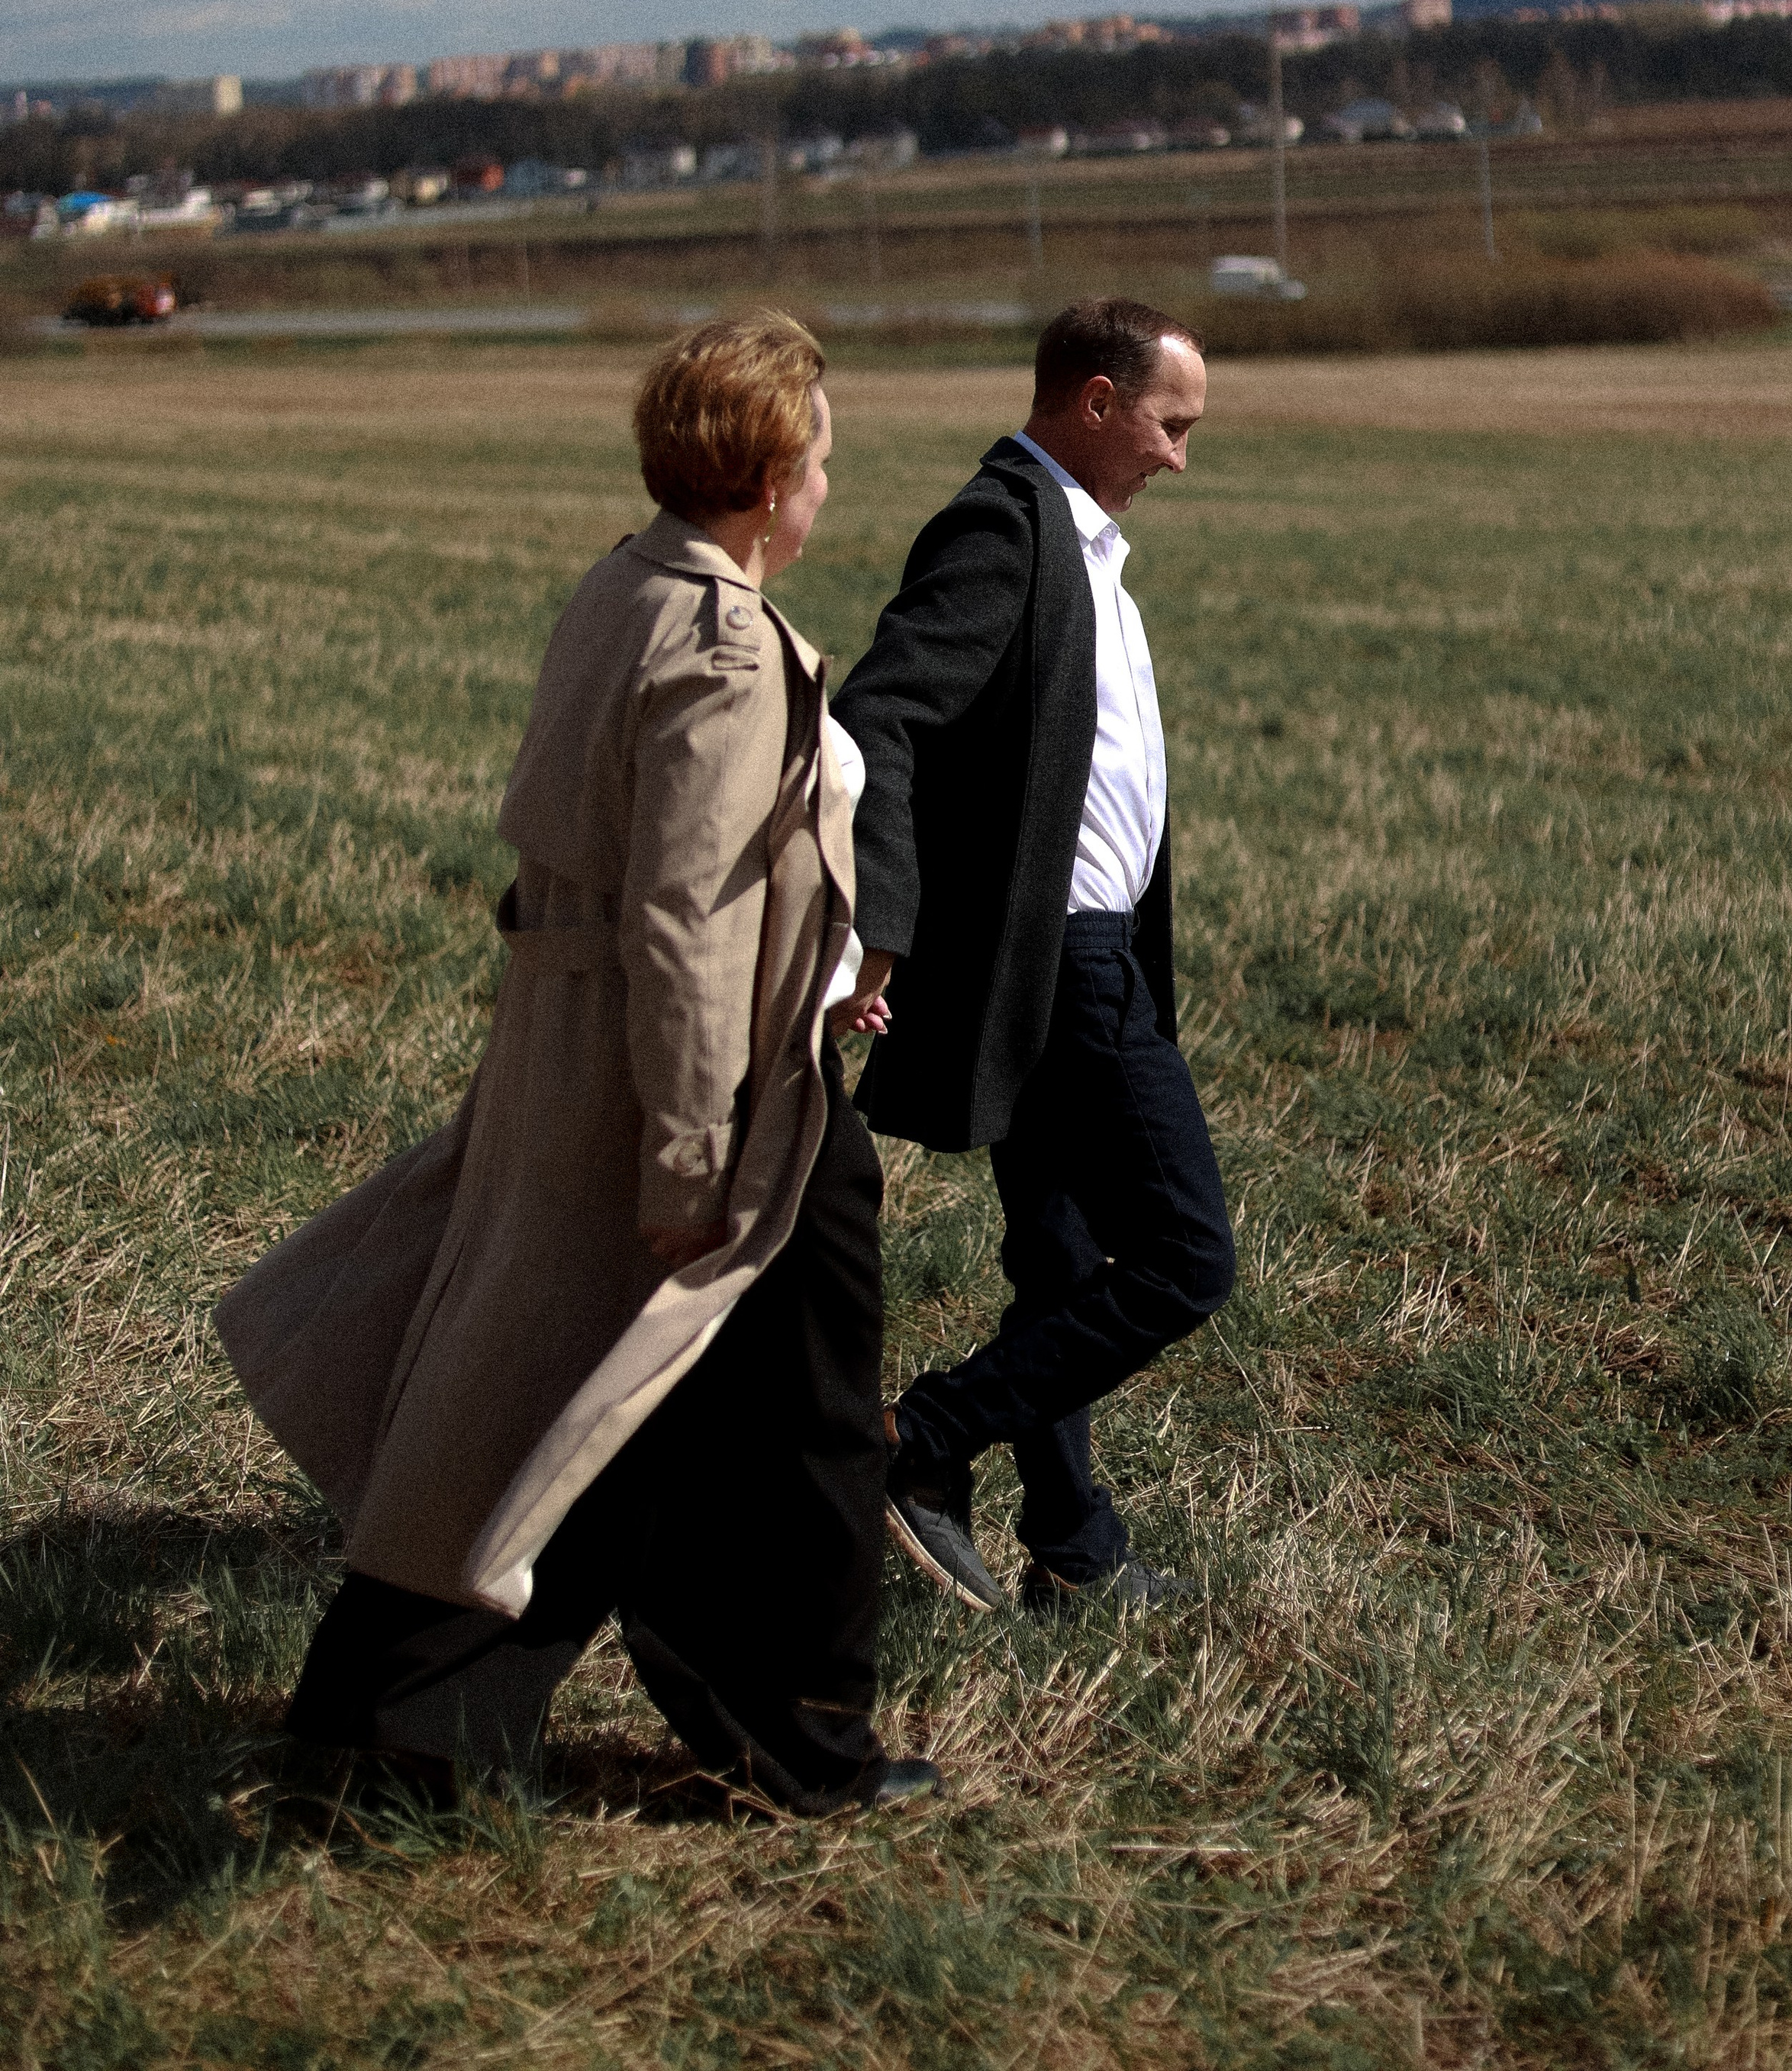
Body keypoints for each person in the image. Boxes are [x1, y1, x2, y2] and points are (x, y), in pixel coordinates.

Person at [215, 312, 933, 1815]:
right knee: (741, 1424)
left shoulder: (623, 585)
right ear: (768, 481)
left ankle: (390, 1731)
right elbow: (683, 920)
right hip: (712, 1103)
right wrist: (690, 1157)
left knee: (588, 1408)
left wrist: (812, 980)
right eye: (821, 465)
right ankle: (785, 1746)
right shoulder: (723, 646)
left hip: (606, 1059)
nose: (827, 490)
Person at [832, 295, 1234, 1614]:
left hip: (1093, 952)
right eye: (1171, 425)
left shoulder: (1084, 543)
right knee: (1185, 1258)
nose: (1181, 456)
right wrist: (882, 923)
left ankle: (1074, 1550)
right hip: (1058, 964)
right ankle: (920, 1442)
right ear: (1099, 402)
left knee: (1060, 1261)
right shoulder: (1005, 529)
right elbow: (882, 713)